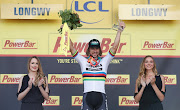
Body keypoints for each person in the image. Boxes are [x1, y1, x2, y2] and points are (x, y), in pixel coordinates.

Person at [69, 20, 126, 110]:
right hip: (87, 97)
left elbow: (114, 47)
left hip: (101, 98)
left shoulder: (104, 61)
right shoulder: (83, 61)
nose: (95, 51)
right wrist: (64, 33)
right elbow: (71, 48)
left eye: (96, 48)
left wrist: (119, 31)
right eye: (92, 48)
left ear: (99, 50)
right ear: (89, 50)